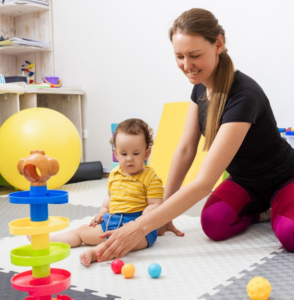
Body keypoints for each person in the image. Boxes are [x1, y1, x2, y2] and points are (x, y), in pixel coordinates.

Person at [95, 8, 294, 262]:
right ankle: (263, 212)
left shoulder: (245, 95)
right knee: (213, 224)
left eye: (195, 55)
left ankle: (277, 208)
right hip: (245, 182)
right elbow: (186, 149)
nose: (187, 66)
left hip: (284, 178)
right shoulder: (200, 89)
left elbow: (204, 183)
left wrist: (142, 226)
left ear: (218, 44)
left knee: (290, 235)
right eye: (179, 56)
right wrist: (164, 215)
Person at [50, 118, 164, 266]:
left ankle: (93, 254)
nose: (129, 159)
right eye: (123, 154)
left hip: (140, 229)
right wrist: (101, 213)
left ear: (146, 153)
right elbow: (110, 198)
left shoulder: (151, 177)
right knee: (82, 231)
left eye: (136, 153)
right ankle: (49, 241)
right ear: (116, 154)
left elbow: (155, 205)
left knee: (117, 242)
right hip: (111, 221)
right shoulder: (114, 174)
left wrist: (139, 224)